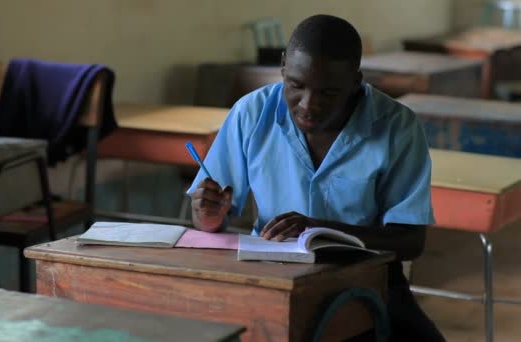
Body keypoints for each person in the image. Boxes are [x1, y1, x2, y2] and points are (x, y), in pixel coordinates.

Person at [187, 14, 446, 342]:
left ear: (356, 81)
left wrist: (319, 230)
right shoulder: (251, 113)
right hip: (270, 273)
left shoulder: (396, 127)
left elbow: (410, 241)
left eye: (328, 92)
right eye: (296, 85)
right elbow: (209, 223)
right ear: (282, 67)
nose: (309, 105)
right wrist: (208, 215)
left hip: (365, 279)